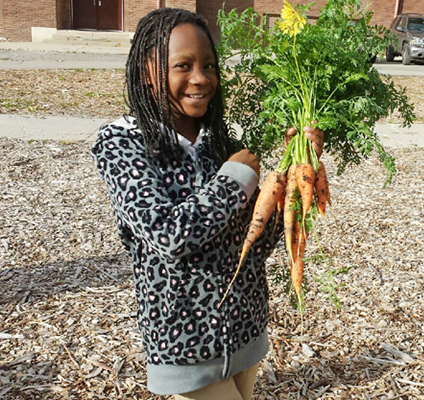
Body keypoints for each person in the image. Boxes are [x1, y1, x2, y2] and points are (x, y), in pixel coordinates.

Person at [91, 8, 324, 400]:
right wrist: (234, 181)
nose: (201, 78)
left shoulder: (221, 142)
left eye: (209, 65)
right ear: (147, 70)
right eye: (183, 65)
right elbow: (168, 236)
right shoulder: (123, 144)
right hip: (186, 346)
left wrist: (296, 171)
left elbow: (257, 246)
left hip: (246, 330)